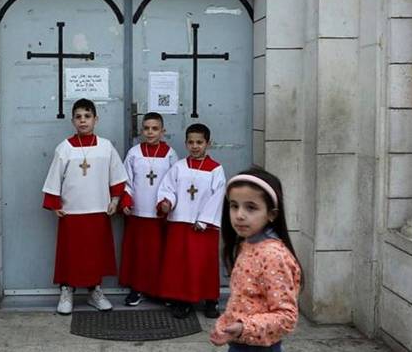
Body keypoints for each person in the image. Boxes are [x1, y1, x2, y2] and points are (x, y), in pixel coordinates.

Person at [42, 98, 127, 315]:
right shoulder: (65, 148)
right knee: (70, 255)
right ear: (72, 121)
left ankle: (94, 291)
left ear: (95, 119)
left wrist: (115, 200)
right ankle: (67, 290)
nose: (83, 121)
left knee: (95, 255)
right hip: (72, 212)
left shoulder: (106, 146)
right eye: (78, 117)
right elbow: (54, 178)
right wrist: (54, 204)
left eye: (87, 116)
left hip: (98, 210)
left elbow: (117, 176)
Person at [210, 167, 302, 352]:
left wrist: (244, 327)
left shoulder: (273, 255)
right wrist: (227, 324)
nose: (239, 215)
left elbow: (286, 316)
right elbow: (244, 297)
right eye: (234, 205)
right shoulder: (247, 244)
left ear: (271, 214)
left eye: (251, 207)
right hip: (240, 342)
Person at [157, 123, 226, 319]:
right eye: (191, 142)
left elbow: (218, 195)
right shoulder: (178, 166)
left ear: (208, 143)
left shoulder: (216, 169)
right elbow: (168, 188)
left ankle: (210, 300)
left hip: (205, 227)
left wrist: (204, 220)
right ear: (185, 143)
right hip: (180, 223)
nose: (195, 146)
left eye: (199, 142)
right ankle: (183, 300)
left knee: (204, 263)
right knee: (182, 264)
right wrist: (167, 203)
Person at [119, 112, 178, 306]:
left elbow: (175, 182)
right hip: (138, 213)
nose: (150, 132)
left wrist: (168, 202)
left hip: (159, 215)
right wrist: (126, 201)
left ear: (163, 131)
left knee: (159, 254)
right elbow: (126, 180)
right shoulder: (134, 153)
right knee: (139, 254)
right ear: (142, 130)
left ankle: (161, 291)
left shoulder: (170, 154)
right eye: (146, 128)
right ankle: (137, 289)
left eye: (155, 129)